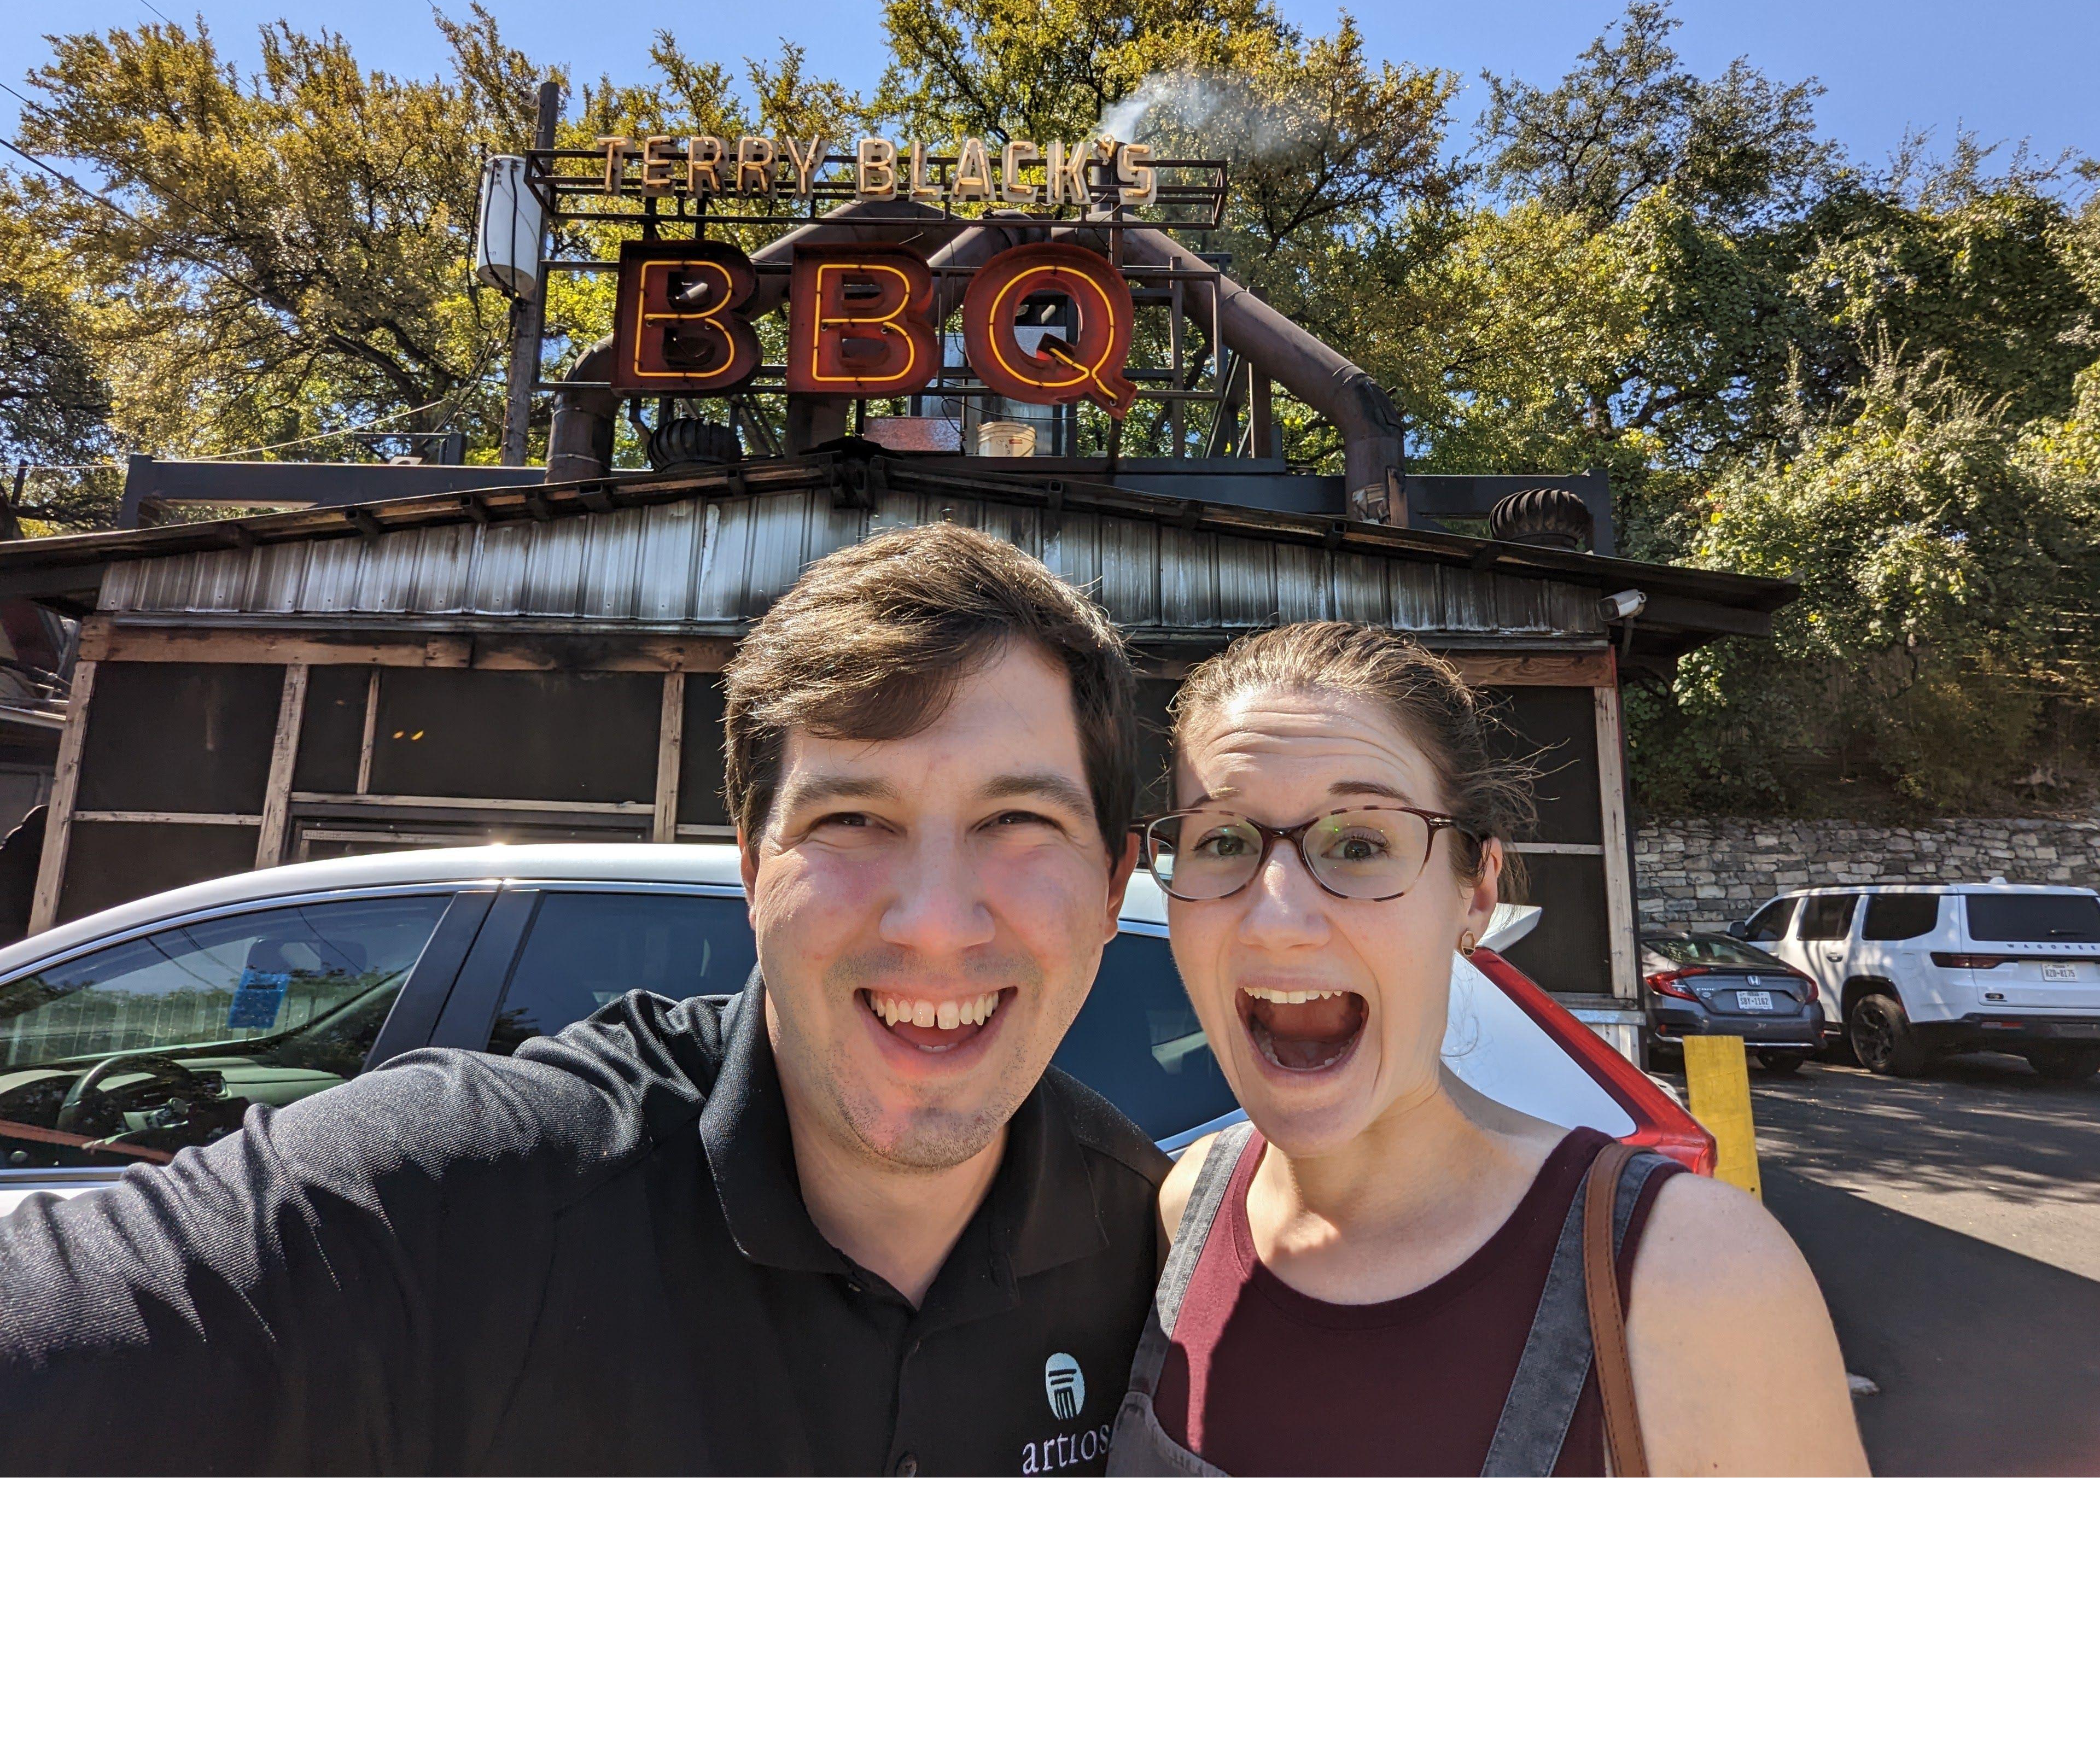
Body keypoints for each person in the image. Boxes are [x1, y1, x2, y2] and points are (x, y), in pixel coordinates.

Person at [0, 525, 1165, 1474]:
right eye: (852, 820)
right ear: (754, 873)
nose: (932, 920)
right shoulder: (458, 1198)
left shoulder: (1164, 1261)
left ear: (1115, 885)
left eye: (1019, 824)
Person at [1109, 621, 1868, 1477]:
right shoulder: (1184, 1209)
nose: (1278, 920)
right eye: (1222, 841)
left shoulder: (1694, 1276)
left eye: (1360, 845)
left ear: (1475, 894)